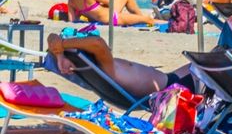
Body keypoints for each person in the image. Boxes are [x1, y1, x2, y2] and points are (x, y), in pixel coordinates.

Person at [48, 29, 176, 99]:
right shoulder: (106, 68)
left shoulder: (95, 68)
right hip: (171, 87)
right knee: (195, 66)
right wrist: (63, 45)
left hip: (168, 81)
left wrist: (60, 55)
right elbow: (98, 43)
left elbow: (52, 37)